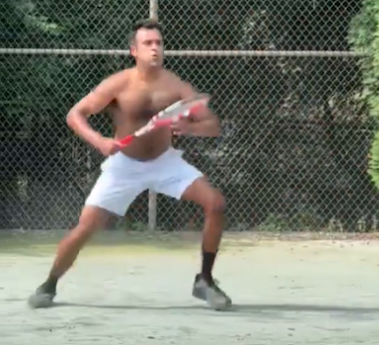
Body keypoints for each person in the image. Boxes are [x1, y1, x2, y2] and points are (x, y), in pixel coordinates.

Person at [27, 19, 231, 311]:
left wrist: (189, 128)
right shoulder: (118, 84)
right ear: (134, 50)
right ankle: (49, 284)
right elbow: (75, 115)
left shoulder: (176, 85)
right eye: (148, 43)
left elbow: (212, 124)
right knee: (85, 228)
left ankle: (205, 281)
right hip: (124, 166)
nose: (155, 48)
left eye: (159, 43)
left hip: (165, 162)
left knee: (216, 204)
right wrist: (99, 141)